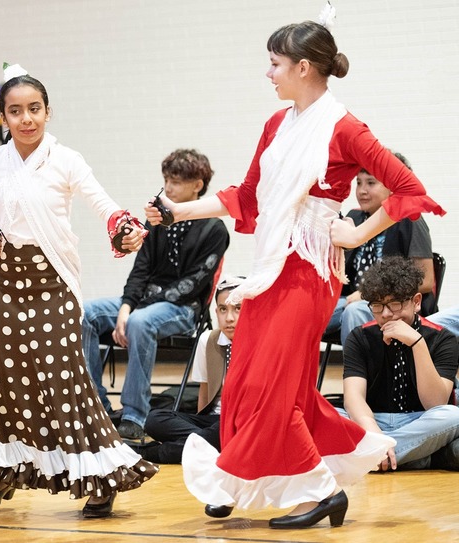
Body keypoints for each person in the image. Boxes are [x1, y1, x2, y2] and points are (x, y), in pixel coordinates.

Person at [148, 14, 444, 528]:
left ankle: (318, 489)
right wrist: (175, 211)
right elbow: (246, 196)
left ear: (303, 67)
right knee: (245, 381)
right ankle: (243, 479)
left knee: (273, 386)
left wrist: (353, 234)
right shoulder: (276, 126)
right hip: (270, 266)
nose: (268, 74)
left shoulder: (346, 128)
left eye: (275, 63)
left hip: (308, 271)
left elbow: (410, 191)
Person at [0, 62, 155, 519]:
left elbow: (102, 204)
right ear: (4, 117)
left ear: (48, 111)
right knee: (5, 382)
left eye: (34, 109)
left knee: (66, 380)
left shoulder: (66, 159)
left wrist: (124, 228)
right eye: (16, 111)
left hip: (53, 281)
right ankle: (6, 467)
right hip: (8, 282)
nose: (26, 119)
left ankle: (101, 477)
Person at [81, 149, 229, 440]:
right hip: (145, 305)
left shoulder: (214, 228)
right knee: (85, 313)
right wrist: (126, 306)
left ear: (198, 185)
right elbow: (141, 270)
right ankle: (96, 407)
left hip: (183, 309)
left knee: (140, 322)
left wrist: (134, 312)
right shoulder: (157, 221)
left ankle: (135, 416)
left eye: (176, 181)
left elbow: (192, 286)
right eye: (166, 180)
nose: (168, 187)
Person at [340, 256, 459, 471]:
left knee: (453, 416)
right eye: (377, 306)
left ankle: (370, 458)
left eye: (394, 304)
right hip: (372, 421)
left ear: (416, 302)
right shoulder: (359, 337)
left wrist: (417, 343)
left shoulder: (443, 338)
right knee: (324, 414)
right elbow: (353, 398)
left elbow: (436, 404)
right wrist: (375, 435)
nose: (386, 314)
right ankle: (418, 458)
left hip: (420, 421)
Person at [325, 152, 435, 345]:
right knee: (308, 311)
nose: (362, 191)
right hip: (352, 299)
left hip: (394, 304)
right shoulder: (355, 217)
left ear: (393, 187)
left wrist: (369, 294)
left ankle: (357, 373)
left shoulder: (410, 219)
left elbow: (426, 281)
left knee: (354, 310)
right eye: (358, 183)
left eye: (371, 183)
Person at [141, 276, 243, 464]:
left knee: (232, 430)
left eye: (238, 309)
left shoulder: (261, 344)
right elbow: (204, 392)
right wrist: (203, 432)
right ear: (216, 311)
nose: (229, 318)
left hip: (242, 422)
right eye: (223, 309)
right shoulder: (208, 340)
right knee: (154, 419)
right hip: (213, 421)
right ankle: (210, 445)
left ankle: (151, 453)